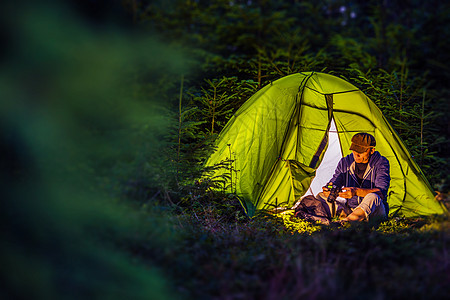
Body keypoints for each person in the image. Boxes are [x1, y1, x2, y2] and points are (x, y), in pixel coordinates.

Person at [320, 132, 390, 223]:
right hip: (350, 209)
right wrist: (329, 189)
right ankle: (344, 218)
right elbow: (335, 181)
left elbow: (381, 193)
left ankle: (345, 223)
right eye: (354, 150)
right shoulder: (345, 162)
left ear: (372, 150)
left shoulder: (381, 162)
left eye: (361, 152)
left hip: (375, 211)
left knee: (373, 197)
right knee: (320, 196)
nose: (356, 155)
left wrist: (356, 192)